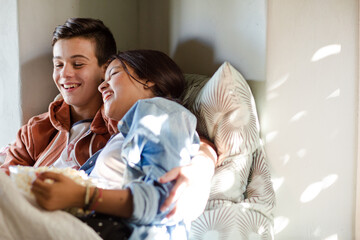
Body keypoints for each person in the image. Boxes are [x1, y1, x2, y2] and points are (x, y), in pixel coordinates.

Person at [0, 18, 216, 219]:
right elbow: (6, 177)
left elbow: (189, 141)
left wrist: (198, 169)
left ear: (105, 69)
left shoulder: (120, 120)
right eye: (58, 64)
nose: (64, 74)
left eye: (77, 64)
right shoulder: (38, 128)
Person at [31, 50, 203, 239]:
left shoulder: (159, 112)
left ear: (147, 79)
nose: (101, 86)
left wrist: (84, 196)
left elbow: (165, 203)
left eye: (113, 74)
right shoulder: (123, 134)